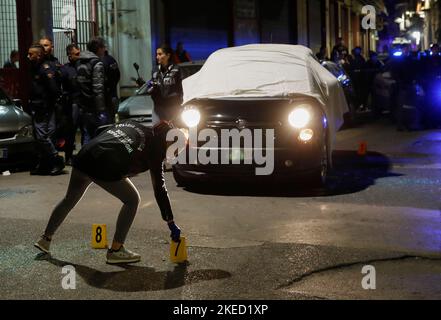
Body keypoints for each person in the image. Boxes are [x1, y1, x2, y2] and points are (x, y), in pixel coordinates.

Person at [34, 120, 182, 265]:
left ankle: (45, 239)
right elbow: (159, 188)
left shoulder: (133, 123)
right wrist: (170, 221)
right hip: (103, 164)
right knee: (132, 200)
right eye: (175, 150)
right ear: (167, 141)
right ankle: (116, 251)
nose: (173, 155)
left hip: (85, 154)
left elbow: (102, 130)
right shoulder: (155, 149)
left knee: (70, 199)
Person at [27, 44, 65, 176]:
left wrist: (48, 104)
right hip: (38, 106)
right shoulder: (34, 68)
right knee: (44, 137)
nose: (28, 56)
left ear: (39, 55)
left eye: (31, 54)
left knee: (42, 137)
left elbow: (54, 90)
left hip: (43, 107)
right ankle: (45, 165)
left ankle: (56, 159)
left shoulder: (45, 69)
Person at [76, 37, 109, 145]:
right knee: (99, 135)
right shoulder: (97, 64)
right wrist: (101, 110)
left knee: (86, 134)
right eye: (103, 47)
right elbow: (98, 89)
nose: (105, 49)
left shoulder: (80, 62)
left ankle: (86, 159)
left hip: (83, 106)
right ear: (98, 48)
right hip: (94, 107)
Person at [148, 44, 184, 125]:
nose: (157, 57)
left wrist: (180, 103)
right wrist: (148, 86)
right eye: (157, 54)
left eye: (160, 54)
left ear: (168, 55)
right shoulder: (155, 70)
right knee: (157, 132)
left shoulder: (177, 69)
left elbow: (182, 87)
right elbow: (152, 86)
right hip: (158, 108)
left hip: (173, 107)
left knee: (173, 132)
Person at [60, 44, 81, 166]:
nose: (79, 56)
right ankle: (69, 156)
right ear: (69, 55)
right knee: (71, 132)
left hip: (83, 102)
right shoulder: (65, 69)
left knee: (85, 131)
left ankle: (84, 156)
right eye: (76, 54)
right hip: (72, 103)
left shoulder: (83, 67)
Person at [102, 50, 121, 124]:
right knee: (113, 117)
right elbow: (118, 75)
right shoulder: (112, 59)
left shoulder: (101, 61)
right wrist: (113, 85)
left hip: (106, 96)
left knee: (107, 121)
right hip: (113, 93)